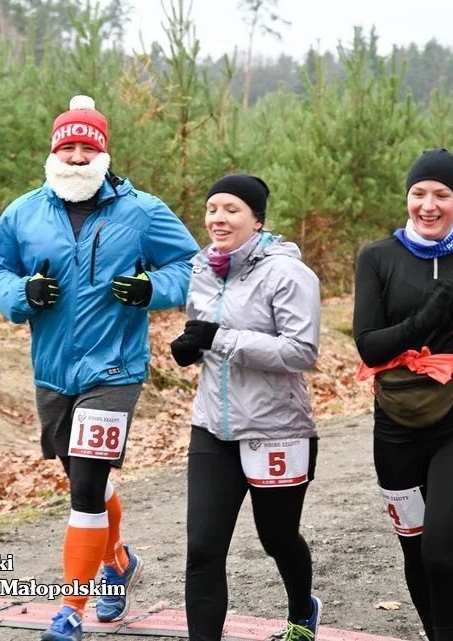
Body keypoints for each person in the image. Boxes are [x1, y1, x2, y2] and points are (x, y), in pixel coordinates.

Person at [0, 95, 200, 641]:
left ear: (103, 153)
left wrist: (152, 288)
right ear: (54, 152)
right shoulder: (23, 211)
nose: (77, 157)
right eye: (68, 147)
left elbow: (191, 265)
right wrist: (21, 293)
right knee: (84, 482)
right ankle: (116, 561)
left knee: (86, 486)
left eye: (87, 147)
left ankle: (70, 611)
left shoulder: (141, 210)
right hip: (52, 372)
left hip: (114, 370)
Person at [352, 149, 453, 641]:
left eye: (442, 195)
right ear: (408, 196)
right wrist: (425, 320)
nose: (429, 204)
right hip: (395, 424)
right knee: (415, 551)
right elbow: (369, 344)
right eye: (419, 193)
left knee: (442, 550)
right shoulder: (377, 257)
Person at [168, 174, 322, 641]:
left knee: (277, 538)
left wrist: (221, 338)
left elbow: (302, 351)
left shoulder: (288, 273)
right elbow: (205, 332)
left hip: (277, 428)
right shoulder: (201, 269)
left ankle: (301, 610)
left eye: (231, 209)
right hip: (212, 427)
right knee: (204, 549)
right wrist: (192, 346)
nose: (218, 217)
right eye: (212, 208)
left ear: (257, 219)